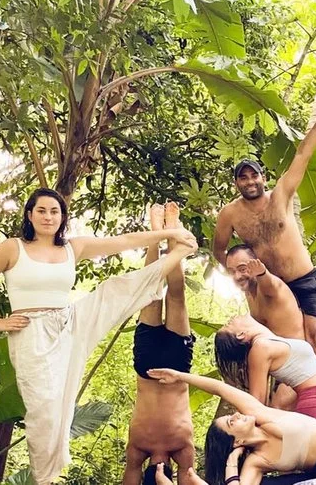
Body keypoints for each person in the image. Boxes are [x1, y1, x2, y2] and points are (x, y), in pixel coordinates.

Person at [0, 188, 197, 485]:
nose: (48, 217)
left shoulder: (73, 247)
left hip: (69, 322)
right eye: (41, 211)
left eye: (54, 212)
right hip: (31, 332)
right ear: (29, 215)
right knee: (44, 411)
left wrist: (166, 233)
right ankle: (44, 478)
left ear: (62, 217)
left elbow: (122, 242)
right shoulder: (12, 248)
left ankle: (176, 252)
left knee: (114, 290)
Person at [213, 84, 316, 373]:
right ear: (236, 183)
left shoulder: (281, 195)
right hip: (269, 286)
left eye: (253, 175)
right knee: (278, 347)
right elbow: (218, 250)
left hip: (304, 279)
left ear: (263, 177)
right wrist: (241, 276)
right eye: (243, 178)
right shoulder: (230, 214)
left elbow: (302, 155)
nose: (249, 181)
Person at [147, 369, 316, 485]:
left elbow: (220, 388)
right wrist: (231, 462)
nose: (236, 414)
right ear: (237, 441)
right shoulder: (257, 461)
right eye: (231, 422)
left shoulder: (261, 414)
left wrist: (179, 377)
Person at [124, 203, 196, 485]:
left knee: (160, 295)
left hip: (164, 368)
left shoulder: (175, 447)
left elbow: (187, 476)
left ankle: (161, 236)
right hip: (162, 368)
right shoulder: (142, 447)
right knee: (158, 295)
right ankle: (164, 236)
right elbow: (187, 477)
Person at [214, 314, 316, 429]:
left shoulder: (268, 341)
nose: (232, 319)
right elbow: (256, 403)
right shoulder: (260, 348)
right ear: (241, 334)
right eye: (229, 324)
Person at [225, 245, 304, 340]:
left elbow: (269, 283)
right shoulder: (249, 291)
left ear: (257, 264)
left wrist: (262, 273)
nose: (237, 276)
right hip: (272, 346)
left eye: (243, 269)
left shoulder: (269, 286)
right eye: (232, 272)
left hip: (294, 346)